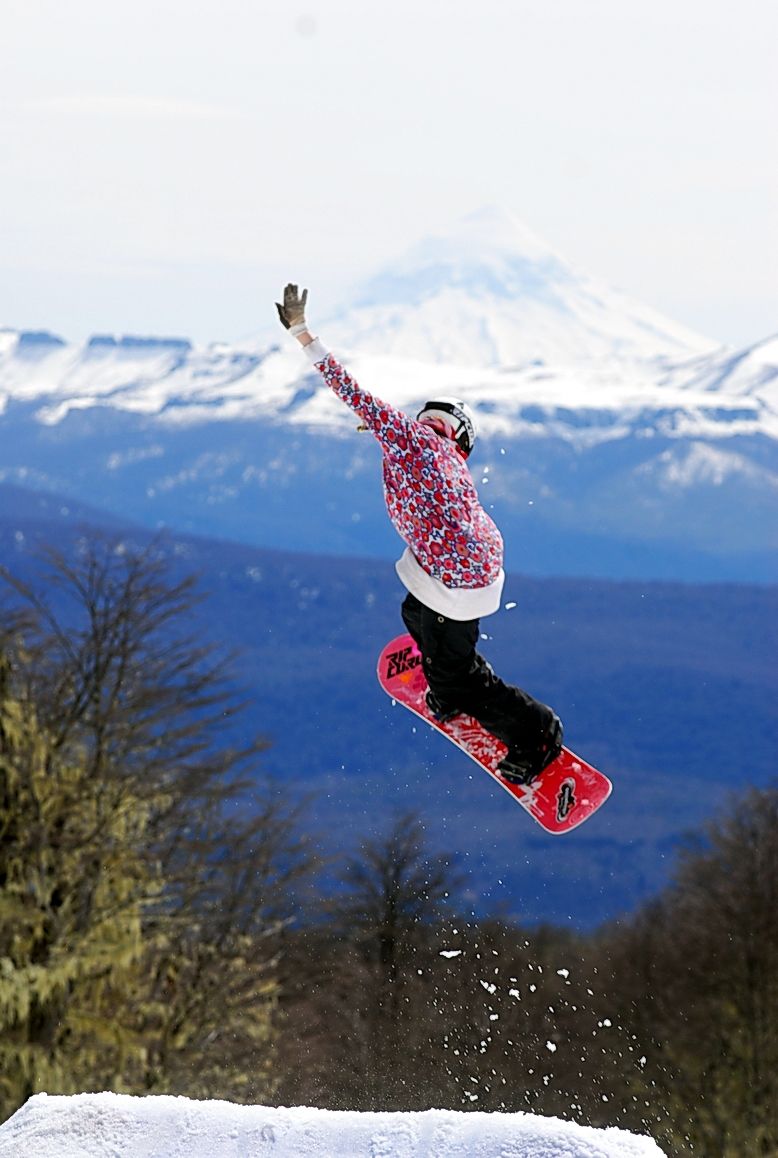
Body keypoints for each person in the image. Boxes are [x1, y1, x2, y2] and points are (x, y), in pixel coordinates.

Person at [275, 283, 563, 784]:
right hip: (464, 568)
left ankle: (533, 732)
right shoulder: (433, 452)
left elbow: (351, 391)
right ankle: (453, 677)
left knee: (457, 681)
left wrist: (303, 334)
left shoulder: (414, 440)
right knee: (414, 609)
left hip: (458, 578)